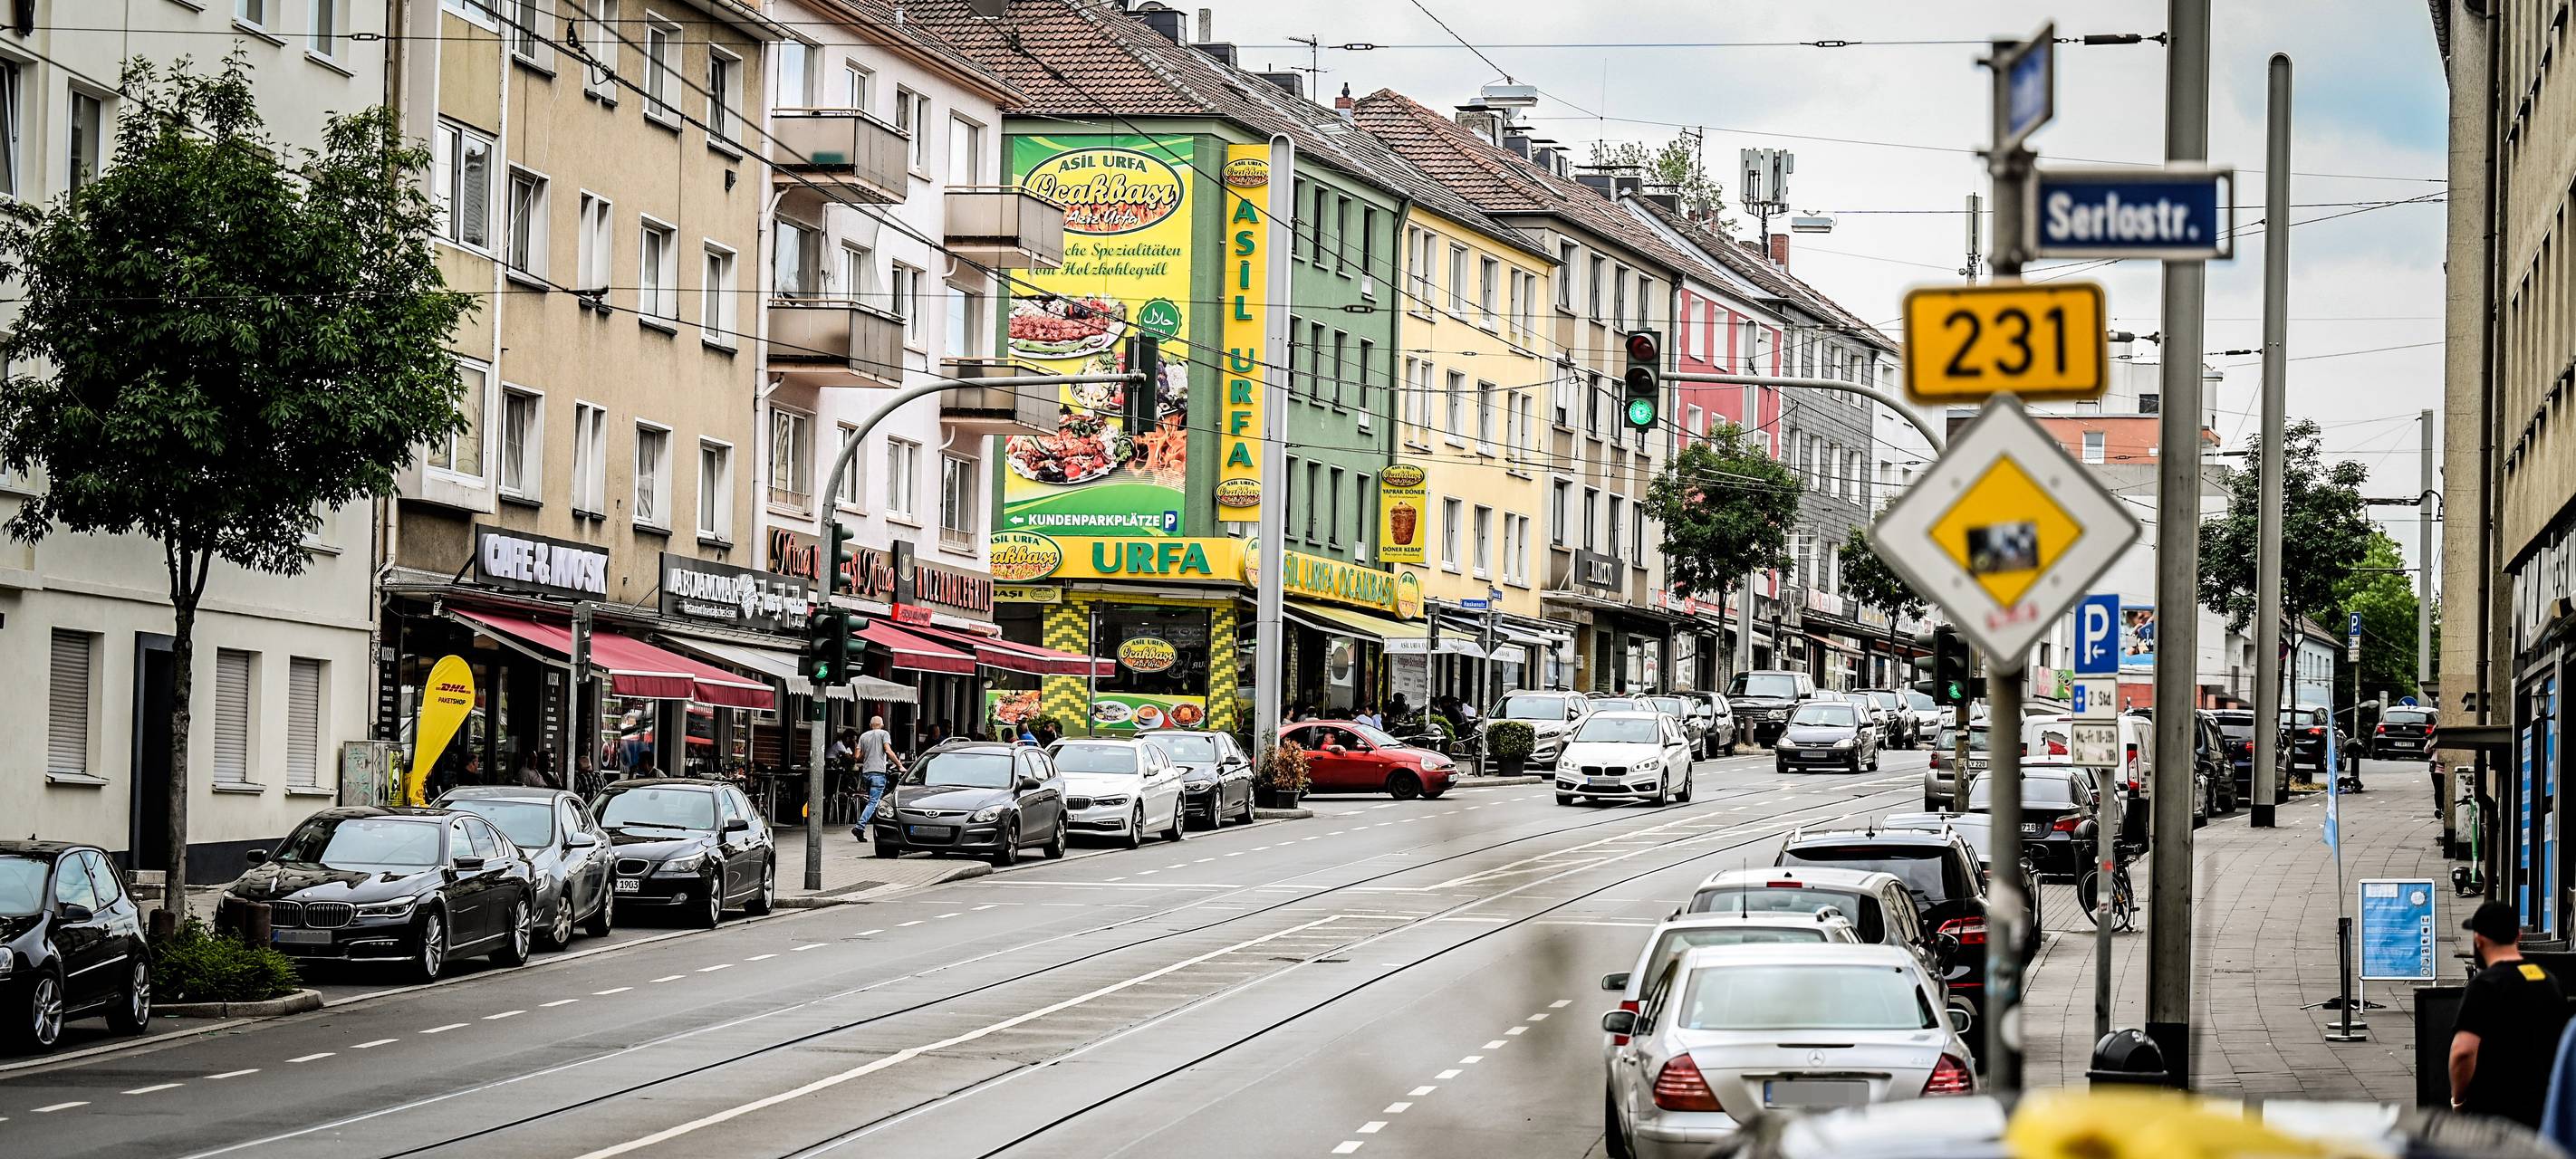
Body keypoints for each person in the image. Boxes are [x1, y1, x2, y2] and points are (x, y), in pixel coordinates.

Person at [2451, 901, 2571, 1128]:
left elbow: (2463, 1051)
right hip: (2543, 1110)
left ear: (2479, 939)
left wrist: (2458, 1101)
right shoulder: (2547, 979)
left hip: (2496, 1112)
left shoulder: (2485, 985)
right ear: (2518, 935)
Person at [849, 716, 901, 841]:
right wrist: (900, 765)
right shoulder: (884, 734)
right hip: (878, 772)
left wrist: (864, 750)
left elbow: (857, 756)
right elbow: (888, 751)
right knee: (874, 802)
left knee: (871, 802)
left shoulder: (863, 736)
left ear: (870, 725)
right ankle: (860, 827)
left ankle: (863, 828)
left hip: (866, 773)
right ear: (882, 725)